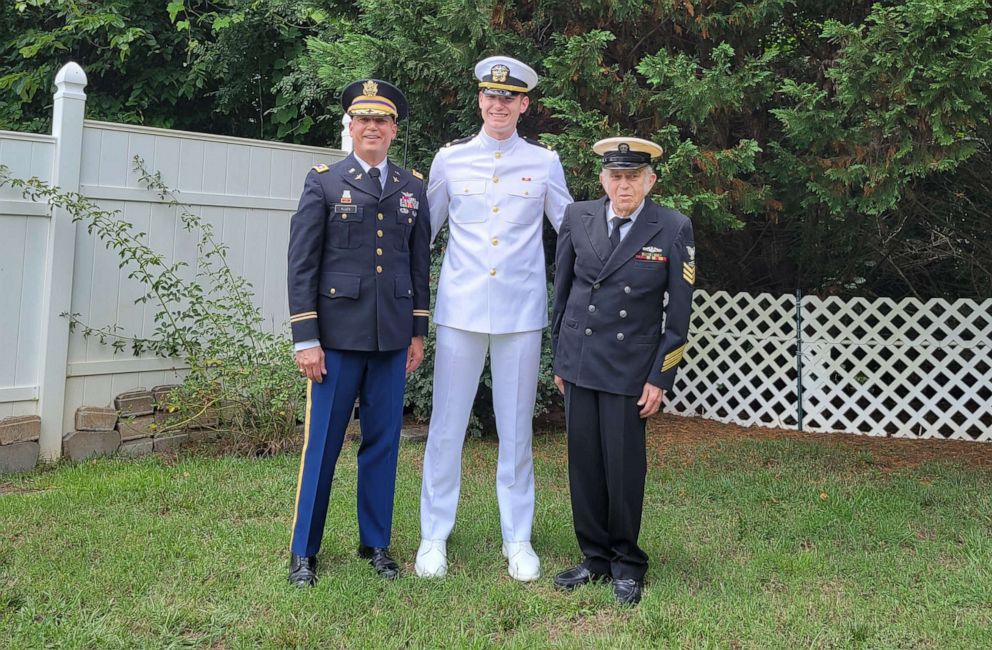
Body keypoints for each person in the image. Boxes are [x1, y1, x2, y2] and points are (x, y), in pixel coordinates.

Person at [415, 56, 573, 581]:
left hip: (520, 313)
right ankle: (433, 535)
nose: (498, 104)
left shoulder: (545, 163)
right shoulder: (451, 162)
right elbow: (422, 237)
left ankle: (518, 538)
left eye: (509, 98)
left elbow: (573, 233)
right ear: (479, 100)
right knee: (446, 427)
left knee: (516, 430)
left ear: (524, 104)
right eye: (490, 96)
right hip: (460, 311)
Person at [286, 79, 431, 586]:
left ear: (393, 129)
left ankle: (376, 543)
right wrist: (306, 338)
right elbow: (301, 263)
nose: (372, 128)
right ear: (350, 127)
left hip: (391, 340)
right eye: (363, 120)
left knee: (383, 443)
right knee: (322, 446)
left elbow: (417, 265)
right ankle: (304, 551)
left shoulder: (412, 186)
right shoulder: (324, 182)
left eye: (382, 121)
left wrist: (417, 332)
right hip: (335, 341)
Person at [549, 137, 696, 605]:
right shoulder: (578, 217)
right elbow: (562, 292)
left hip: (630, 369)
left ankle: (627, 562)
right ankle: (594, 557)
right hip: (580, 361)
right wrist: (560, 358)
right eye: (616, 176)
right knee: (584, 465)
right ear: (602, 180)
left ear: (650, 181)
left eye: (633, 177)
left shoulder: (672, 227)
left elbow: (678, 318)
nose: (624, 185)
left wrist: (660, 377)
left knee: (623, 468)